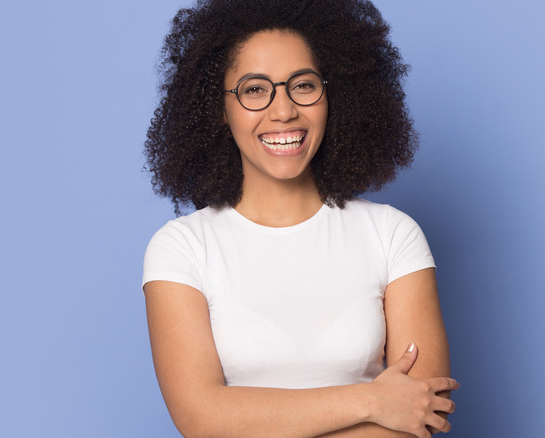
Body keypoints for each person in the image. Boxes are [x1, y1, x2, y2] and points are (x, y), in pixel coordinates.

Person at [142, 0, 459, 436]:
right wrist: (371, 399)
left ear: (333, 95)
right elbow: (201, 417)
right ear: (219, 108)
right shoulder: (181, 248)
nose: (283, 110)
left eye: (303, 85)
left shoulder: (392, 234)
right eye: (255, 89)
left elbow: (423, 412)